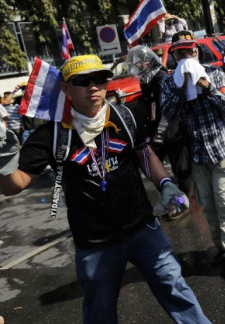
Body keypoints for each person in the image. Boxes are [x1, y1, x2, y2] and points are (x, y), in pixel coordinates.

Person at [0, 54, 208, 323]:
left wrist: (165, 184)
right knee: (100, 314)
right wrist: (4, 160)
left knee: (177, 290)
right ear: (66, 89)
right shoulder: (51, 134)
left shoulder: (125, 116)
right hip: (96, 244)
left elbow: (144, 153)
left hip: (142, 228)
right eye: (83, 81)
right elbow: (13, 187)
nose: (94, 87)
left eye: (99, 79)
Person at [160, 31, 225, 276]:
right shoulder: (169, 82)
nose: (187, 56)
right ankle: (220, 247)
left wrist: (206, 86)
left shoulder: (215, 72)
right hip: (197, 153)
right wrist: (180, 87)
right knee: (208, 205)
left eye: (190, 51)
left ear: (196, 51)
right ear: (175, 57)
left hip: (220, 150)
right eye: (181, 53)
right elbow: (170, 115)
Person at [126, 46, 191, 199]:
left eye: (139, 63)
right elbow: (149, 103)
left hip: (172, 127)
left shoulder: (161, 77)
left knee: (181, 167)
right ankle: (171, 196)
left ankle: (184, 199)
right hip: (156, 128)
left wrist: (161, 131)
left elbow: (168, 107)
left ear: (147, 62)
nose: (137, 67)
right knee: (152, 163)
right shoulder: (146, 80)